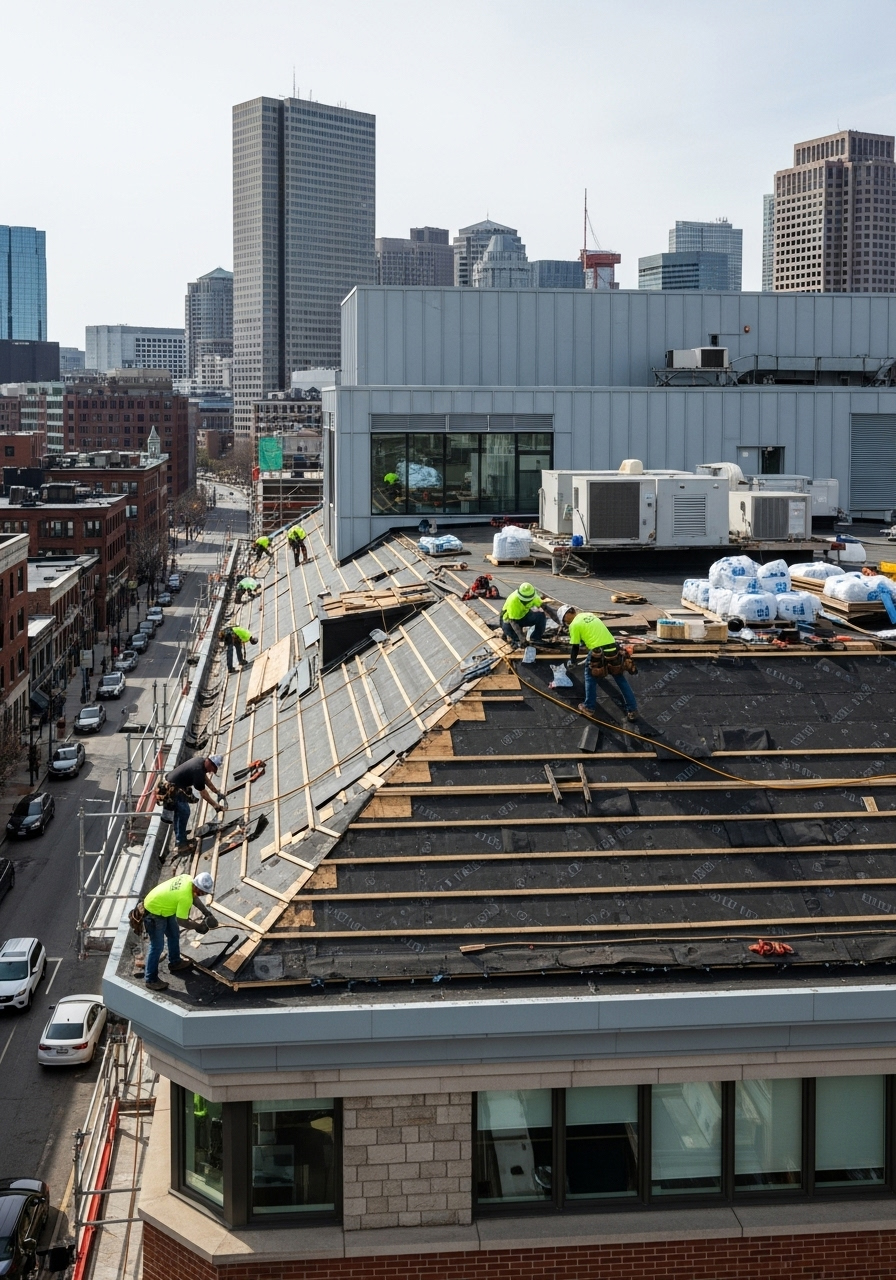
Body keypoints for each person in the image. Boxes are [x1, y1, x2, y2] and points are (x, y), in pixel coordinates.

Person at [142, 871, 218, 991]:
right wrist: (198, 926)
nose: (202, 895)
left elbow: (194, 897)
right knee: (157, 946)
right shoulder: (185, 897)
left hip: (164, 906)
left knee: (173, 934)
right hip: (154, 911)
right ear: (197, 887)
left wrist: (206, 912)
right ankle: (150, 980)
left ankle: (175, 962)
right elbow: (183, 922)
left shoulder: (187, 879)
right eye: (202, 892)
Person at [568, 611, 639, 722]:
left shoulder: (574, 625)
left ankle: (589, 707)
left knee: (590, 677)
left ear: (566, 616)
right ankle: (632, 709)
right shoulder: (589, 615)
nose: (565, 623)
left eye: (564, 620)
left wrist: (572, 662)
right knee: (620, 678)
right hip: (613, 647)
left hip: (598, 651)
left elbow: (575, 647)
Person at [164, 755, 226, 852]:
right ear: (210, 763)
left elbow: (206, 779)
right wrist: (216, 806)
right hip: (172, 790)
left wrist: (216, 792)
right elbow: (204, 794)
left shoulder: (201, 762)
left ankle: (180, 837)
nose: (211, 772)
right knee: (184, 812)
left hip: (173, 786)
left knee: (181, 812)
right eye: (212, 769)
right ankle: (181, 844)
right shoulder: (198, 771)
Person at [501, 584, 571, 646]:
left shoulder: (534, 597)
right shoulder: (513, 601)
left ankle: (535, 637)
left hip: (523, 615)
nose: (526, 602)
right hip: (508, 621)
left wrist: (561, 623)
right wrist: (521, 637)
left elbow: (548, 610)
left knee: (541, 616)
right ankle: (508, 633)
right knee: (518, 642)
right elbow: (514, 622)